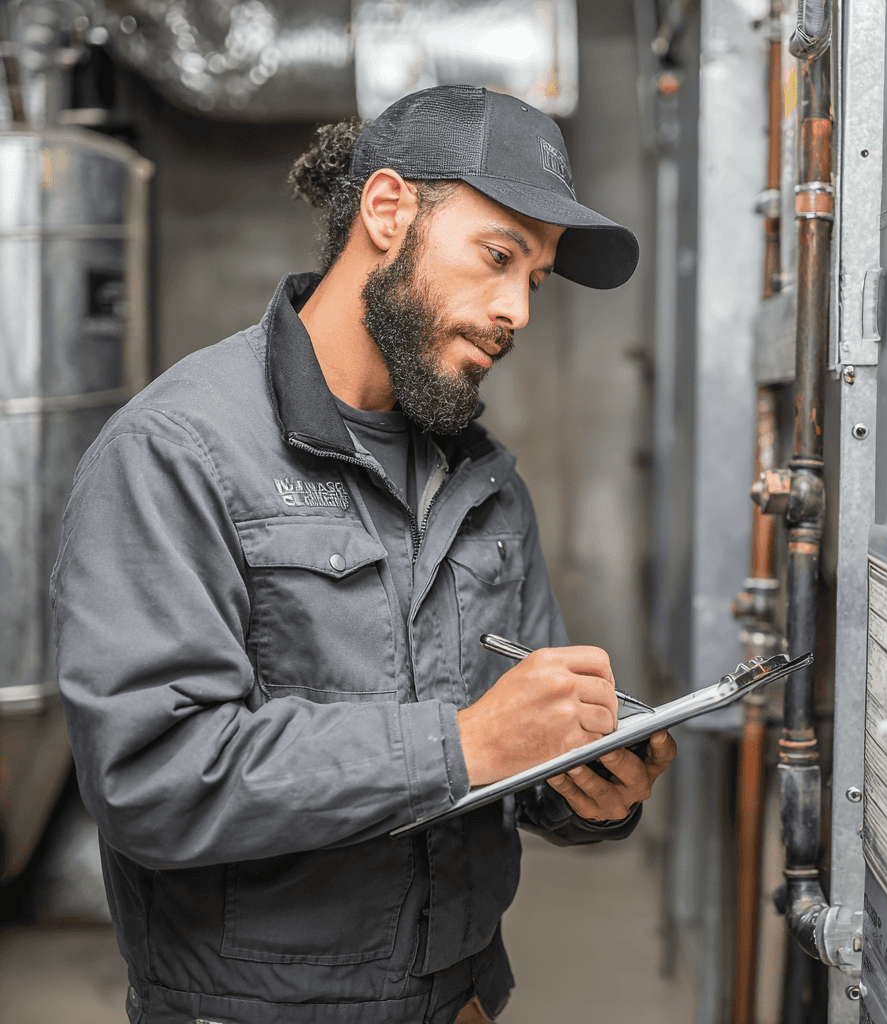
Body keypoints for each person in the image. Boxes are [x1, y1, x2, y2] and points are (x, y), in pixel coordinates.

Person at [50, 85, 677, 1024]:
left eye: (534, 280)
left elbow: (515, 744)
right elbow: (153, 775)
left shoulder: (484, 479)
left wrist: (584, 787)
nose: (518, 310)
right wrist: (462, 745)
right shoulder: (178, 452)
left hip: (462, 998)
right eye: (498, 257)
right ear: (388, 212)